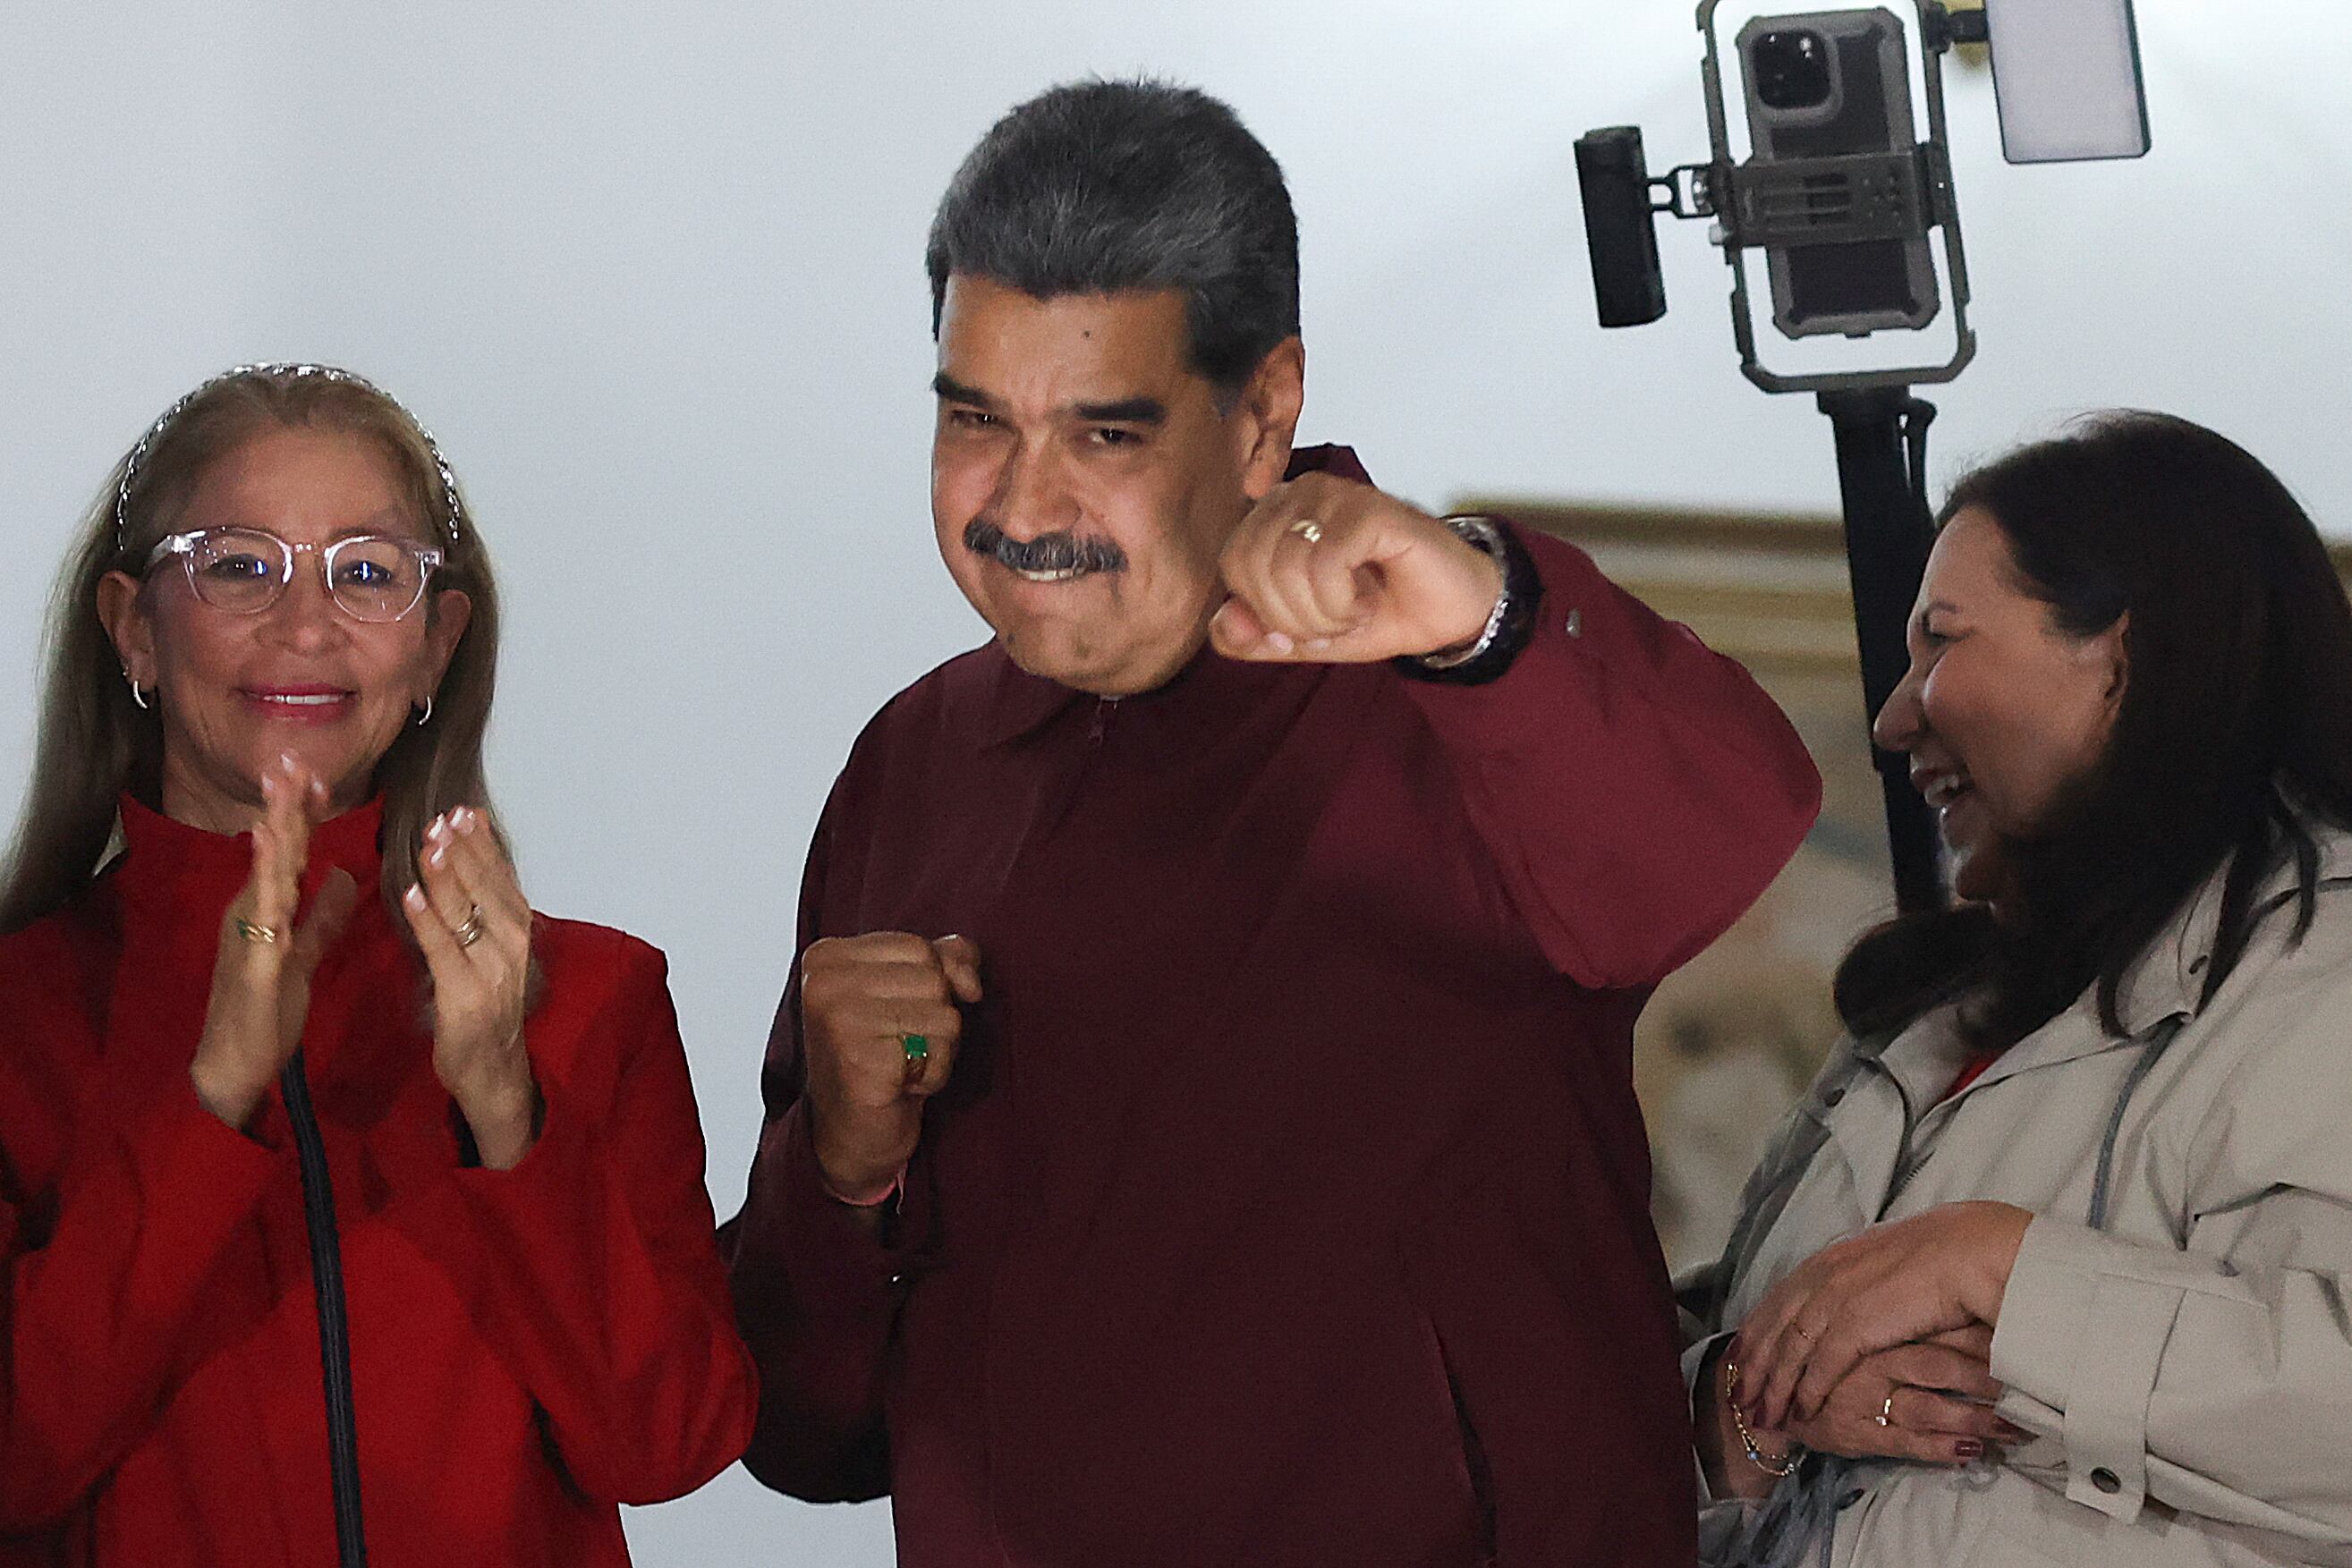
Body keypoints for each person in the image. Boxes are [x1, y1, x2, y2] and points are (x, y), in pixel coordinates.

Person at [726, 80, 1821, 1567]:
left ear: (1265, 413)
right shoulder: (915, 765)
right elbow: (800, 1428)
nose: (1019, 499)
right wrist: (839, 1172)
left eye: (1104, 432)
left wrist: (1486, 619)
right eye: (975, 418)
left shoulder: (1450, 670)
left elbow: (1733, 823)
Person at [0, 364, 754, 1565]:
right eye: (239, 563)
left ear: (437, 642)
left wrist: (506, 1105)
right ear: (134, 625)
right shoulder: (20, 1014)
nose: (307, 625)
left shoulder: (592, 999)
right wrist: (208, 1103)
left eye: (365, 573)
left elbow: (665, 1441)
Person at [1681, 412, 2352, 1567]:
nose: (1895, 718)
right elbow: (1706, 1340)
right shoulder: (1927, 1022)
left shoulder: (2320, 977)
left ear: (2124, 659)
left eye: (1940, 642)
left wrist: (1998, 1270)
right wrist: (1736, 1405)